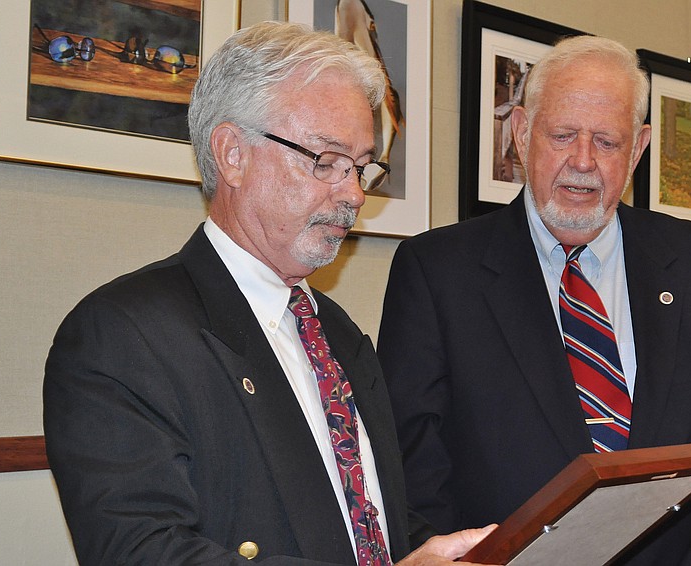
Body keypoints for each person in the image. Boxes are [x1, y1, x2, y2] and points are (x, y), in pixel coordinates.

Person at [43, 21, 494, 565]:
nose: (353, 194)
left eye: (360, 167)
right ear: (233, 154)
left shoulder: (340, 335)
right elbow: (143, 553)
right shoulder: (121, 335)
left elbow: (367, 521)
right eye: (325, 162)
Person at [377, 35, 691, 565]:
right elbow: (410, 465)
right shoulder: (435, 272)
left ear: (638, 148)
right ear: (521, 135)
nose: (583, 162)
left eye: (607, 142)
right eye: (563, 135)